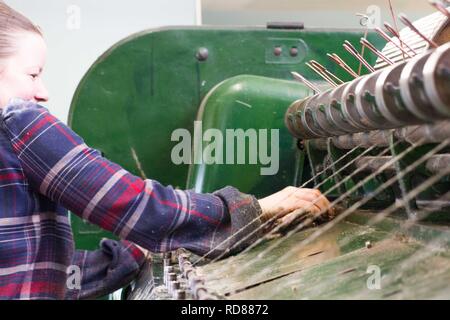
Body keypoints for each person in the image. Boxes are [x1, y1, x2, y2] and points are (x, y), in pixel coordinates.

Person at [0, 2, 330, 300]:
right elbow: (131, 203)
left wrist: (133, 255)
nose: (42, 93)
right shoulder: (18, 123)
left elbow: (35, 268)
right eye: (33, 74)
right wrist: (250, 209)